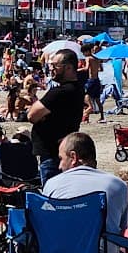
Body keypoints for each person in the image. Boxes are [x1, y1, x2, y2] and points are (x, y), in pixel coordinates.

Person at [28, 48, 85, 185]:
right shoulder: (77, 88)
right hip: (64, 149)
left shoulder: (59, 92)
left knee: (52, 193)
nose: (51, 69)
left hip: (52, 152)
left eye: (55, 66)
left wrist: (42, 116)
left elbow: (32, 116)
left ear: (69, 67)